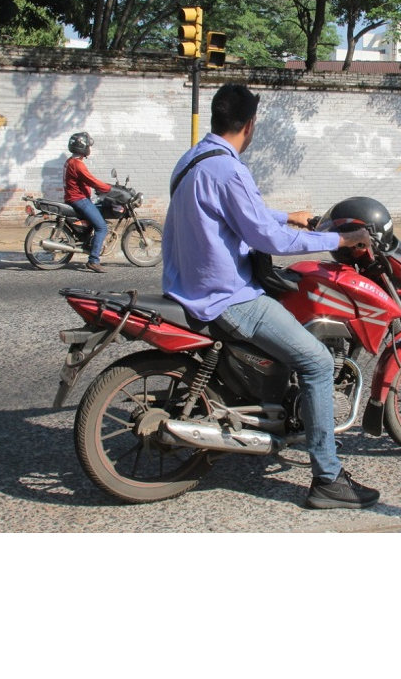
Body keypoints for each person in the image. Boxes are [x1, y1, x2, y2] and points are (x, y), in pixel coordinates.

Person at [162, 83, 380, 510]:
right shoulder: (229, 169)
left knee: (289, 327)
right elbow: (264, 236)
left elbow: (238, 213)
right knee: (316, 360)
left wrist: (288, 215)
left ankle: (270, 412)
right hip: (228, 296)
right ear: (249, 124)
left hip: (187, 284)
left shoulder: (192, 159)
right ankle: (328, 479)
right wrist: (339, 236)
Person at [64, 131, 112, 273]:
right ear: (83, 148)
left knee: (98, 213)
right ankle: (93, 260)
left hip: (75, 197)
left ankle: (88, 241)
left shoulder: (70, 161)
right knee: (102, 227)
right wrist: (109, 188)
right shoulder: (77, 165)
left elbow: (86, 181)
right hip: (79, 199)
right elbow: (91, 180)